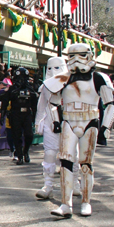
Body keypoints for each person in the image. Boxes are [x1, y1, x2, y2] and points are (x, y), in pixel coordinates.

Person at [51, 44, 114, 218]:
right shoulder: (62, 78)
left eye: (80, 55)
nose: (76, 60)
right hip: (69, 121)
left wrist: (105, 128)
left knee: (86, 163)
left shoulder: (99, 78)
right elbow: (54, 103)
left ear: (88, 56)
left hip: (90, 121)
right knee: (65, 163)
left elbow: (111, 104)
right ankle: (66, 204)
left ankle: (86, 201)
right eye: (72, 56)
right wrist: (56, 122)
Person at [34, 57, 70, 200]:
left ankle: (75, 183)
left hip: (69, 123)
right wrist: (38, 121)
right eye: (50, 68)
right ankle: (48, 185)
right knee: (49, 153)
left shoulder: (71, 84)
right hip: (51, 122)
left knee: (72, 154)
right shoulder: (45, 86)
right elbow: (41, 105)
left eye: (56, 67)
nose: (53, 71)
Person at [0, 67, 37, 165]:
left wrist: (36, 116)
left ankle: (26, 151)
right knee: (17, 136)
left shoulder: (30, 88)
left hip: (27, 113)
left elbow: (34, 103)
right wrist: (2, 113)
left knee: (29, 135)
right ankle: (19, 155)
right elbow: (5, 101)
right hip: (15, 113)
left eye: (24, 78)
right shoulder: (12, 89)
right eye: (20, 78)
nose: (22, 80)